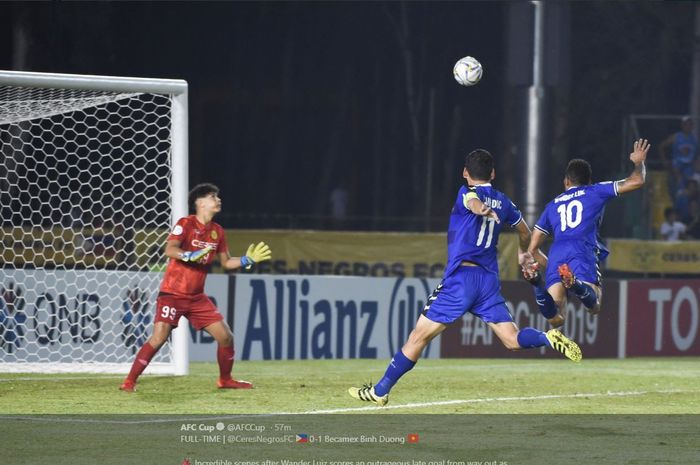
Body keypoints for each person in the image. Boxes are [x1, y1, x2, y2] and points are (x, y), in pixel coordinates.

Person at [347, 149, 582, 407]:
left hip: (461, 280)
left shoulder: (464, 192)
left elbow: (472, 201)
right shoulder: (504, 202)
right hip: (488, 282)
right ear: (493, 174)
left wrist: (480, 208)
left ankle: (381, 391)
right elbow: (524, 231)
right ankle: (547, 338)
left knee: (418, 337)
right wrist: (523, 253)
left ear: (465, 173)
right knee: (511, 339)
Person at [120, 183, 272, 392]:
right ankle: (129, 381)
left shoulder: (217, 231)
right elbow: (170, 249)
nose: (218, 200)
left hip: (196, 298)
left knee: (226, 336)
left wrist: (247, 260)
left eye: (218, 197)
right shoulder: (185, 224)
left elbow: (226, 262)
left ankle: (225, 379)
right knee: (160, 336)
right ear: (200, 203)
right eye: (213, 197)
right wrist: (188, 255)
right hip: (172, 293)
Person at [523, 139, 650, 327]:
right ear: (589, 181)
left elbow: (532, 250)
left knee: (555, 318)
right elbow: (637, 181)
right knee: (594, 306)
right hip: (581, 248)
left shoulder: (552, 205)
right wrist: (639, 162)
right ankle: (575, 284)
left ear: (566, 181)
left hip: (558, 251)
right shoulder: (595, 191)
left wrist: (553, 267)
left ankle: (536, 284)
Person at [659, 116, 697, 194]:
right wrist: (664, 161)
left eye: (690, 124)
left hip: (689, 167)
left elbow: (696, 154)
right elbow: (661, 146)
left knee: (691, 185)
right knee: (678, 181)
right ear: (682, 125)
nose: (688, 126)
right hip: (677, 165)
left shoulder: (694, 139)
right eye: (686, 124)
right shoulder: (676, 137)